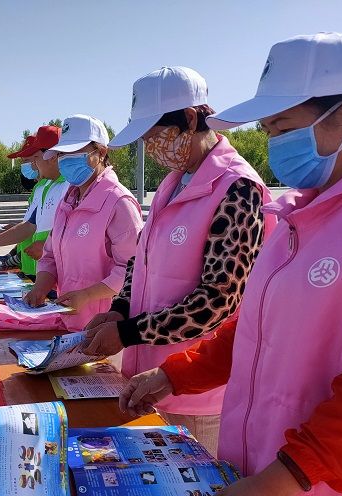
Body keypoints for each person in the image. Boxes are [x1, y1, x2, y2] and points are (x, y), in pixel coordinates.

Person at [120, 33, 342, 496]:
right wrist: (172, 374)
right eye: (269, 130)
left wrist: (281, 481)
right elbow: (251, 328)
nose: (273, 144)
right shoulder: (299, 214)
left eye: (283, 127)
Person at [83, 67, 272, 455]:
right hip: (145, 379)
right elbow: (139, 261)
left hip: (194, 394)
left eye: (155, 135)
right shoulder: (173, 183)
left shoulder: (237, 188)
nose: (151, 147)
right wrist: (120, 310)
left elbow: (219, 300)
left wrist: (129, 332)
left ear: (189, 118)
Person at [24, 114, 144, 330]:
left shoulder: (119, 202)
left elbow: (132, 270)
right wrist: (40, 287)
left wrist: (88, 295)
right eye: (62, 154)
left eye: (75, 152)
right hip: (69, 320)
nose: (65, 159)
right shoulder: (67, 201)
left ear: (101, 152)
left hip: (104, 326)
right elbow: (50, 254)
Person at [0, 126, 69, 277]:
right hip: (41, 271)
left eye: (35, 158)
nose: (33, 164)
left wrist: (48, 247)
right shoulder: (47, 187)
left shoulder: (70, 186)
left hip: (60, 274)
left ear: (52, 156)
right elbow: (30, 226)